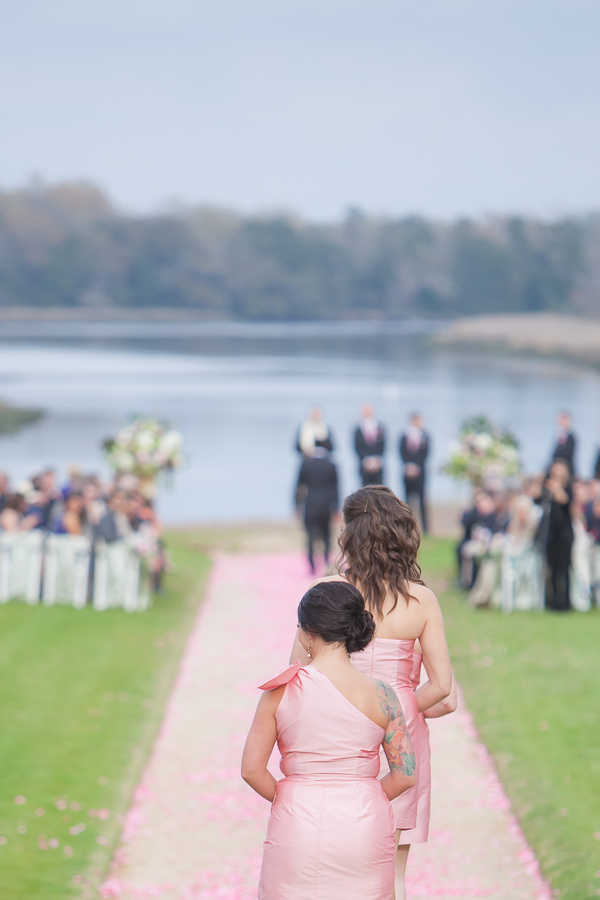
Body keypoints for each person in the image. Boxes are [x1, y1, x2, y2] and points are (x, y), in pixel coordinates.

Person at [290, 485, 453, 900]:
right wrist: (401, 711)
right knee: (392, 871)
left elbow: (297, 672)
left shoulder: (329, 591)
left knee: (332, 859)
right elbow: (443, 686)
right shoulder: (422, 599)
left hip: (342, 727)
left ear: (350, 533)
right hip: (403, 732)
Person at [243, 580, 416, 900]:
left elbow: (251, 770)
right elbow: (406, 774)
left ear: (308, 631)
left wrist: (288, 794)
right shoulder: (383, 695)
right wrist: (369, 791)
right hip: (363, 824)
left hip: (297, 823)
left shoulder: (279, 691)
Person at [534, 460, 574, 611]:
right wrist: (539, 482)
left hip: (564, 535)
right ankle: (552, 601)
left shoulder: (568, 488)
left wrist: (556, 486)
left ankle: (564, 603)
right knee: (551, 569)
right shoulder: (546, 488)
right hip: (549, 535)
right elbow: (536, 499)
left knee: (564, 570)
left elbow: (564, 500)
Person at [295, 447, 339, 574]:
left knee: (310, 536)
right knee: (326, 536)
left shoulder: (306, 464)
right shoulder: (331, 465)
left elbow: (298, 486)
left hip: (310, 504)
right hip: (326, 505)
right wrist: (336, 508)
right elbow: (335, 488)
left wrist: (297, 505)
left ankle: (312, 566)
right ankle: (326, 562)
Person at [456, 490, 503, 588]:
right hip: (473, 542)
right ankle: (465, 580)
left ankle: (474, 583)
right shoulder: (474, 514)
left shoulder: (494, 516)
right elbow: (465, 523)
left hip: (488, 544)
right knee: (461, 549)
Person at [399, 412, 430, 534]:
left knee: (422, 500)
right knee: (407, 500)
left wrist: (417, 466)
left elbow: (426, 453)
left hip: (420, 472)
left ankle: (426, 528)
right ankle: (407, 527)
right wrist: (408, 466)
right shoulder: (404, 436)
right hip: (407, 472)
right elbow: (401, 452)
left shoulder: (425, 436)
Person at [354, 403, 386, 486]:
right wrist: (366, 460)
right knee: (365, 490)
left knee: (379, 489)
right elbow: (357, 447)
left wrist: (377, 460)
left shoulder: (380, 428)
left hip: (378, 464)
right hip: (364, 464)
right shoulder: (358, 429)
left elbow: (383, 445)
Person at [550, 410, 576, 474]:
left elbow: (568, 455)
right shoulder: (558, 436)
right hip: (557, 467)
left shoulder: (571, 438)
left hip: (566, 469)